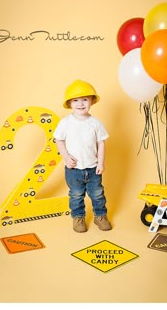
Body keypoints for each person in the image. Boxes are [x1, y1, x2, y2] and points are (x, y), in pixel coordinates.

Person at [53, 79, 112, 233]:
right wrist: (66, 157)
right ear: (70, 103)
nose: (80, 103)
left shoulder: (96, 123)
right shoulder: (65, 123)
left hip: (93, 169)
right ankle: (78, 217)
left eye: (85, 99)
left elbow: (101, 144)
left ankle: (100, 216)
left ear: (92, 101)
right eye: (76, 100)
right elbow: (58, 140)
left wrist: (100, 163)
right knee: (76, 195)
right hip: (74, 170)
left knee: (98, 194)